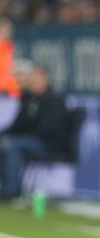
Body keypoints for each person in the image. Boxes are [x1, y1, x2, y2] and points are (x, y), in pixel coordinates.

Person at [0, 67, 69, 199]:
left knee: (10, 145)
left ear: (45, 80)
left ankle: (12, 192)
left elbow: (49, 129)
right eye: (33, 79)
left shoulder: (54, 100)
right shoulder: (28, 99)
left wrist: (21, 137)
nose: (34, 82)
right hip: (26, 141)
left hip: (47, 143)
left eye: (37, 79)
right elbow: (17, 125)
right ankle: (5, 187)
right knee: (4, 142)